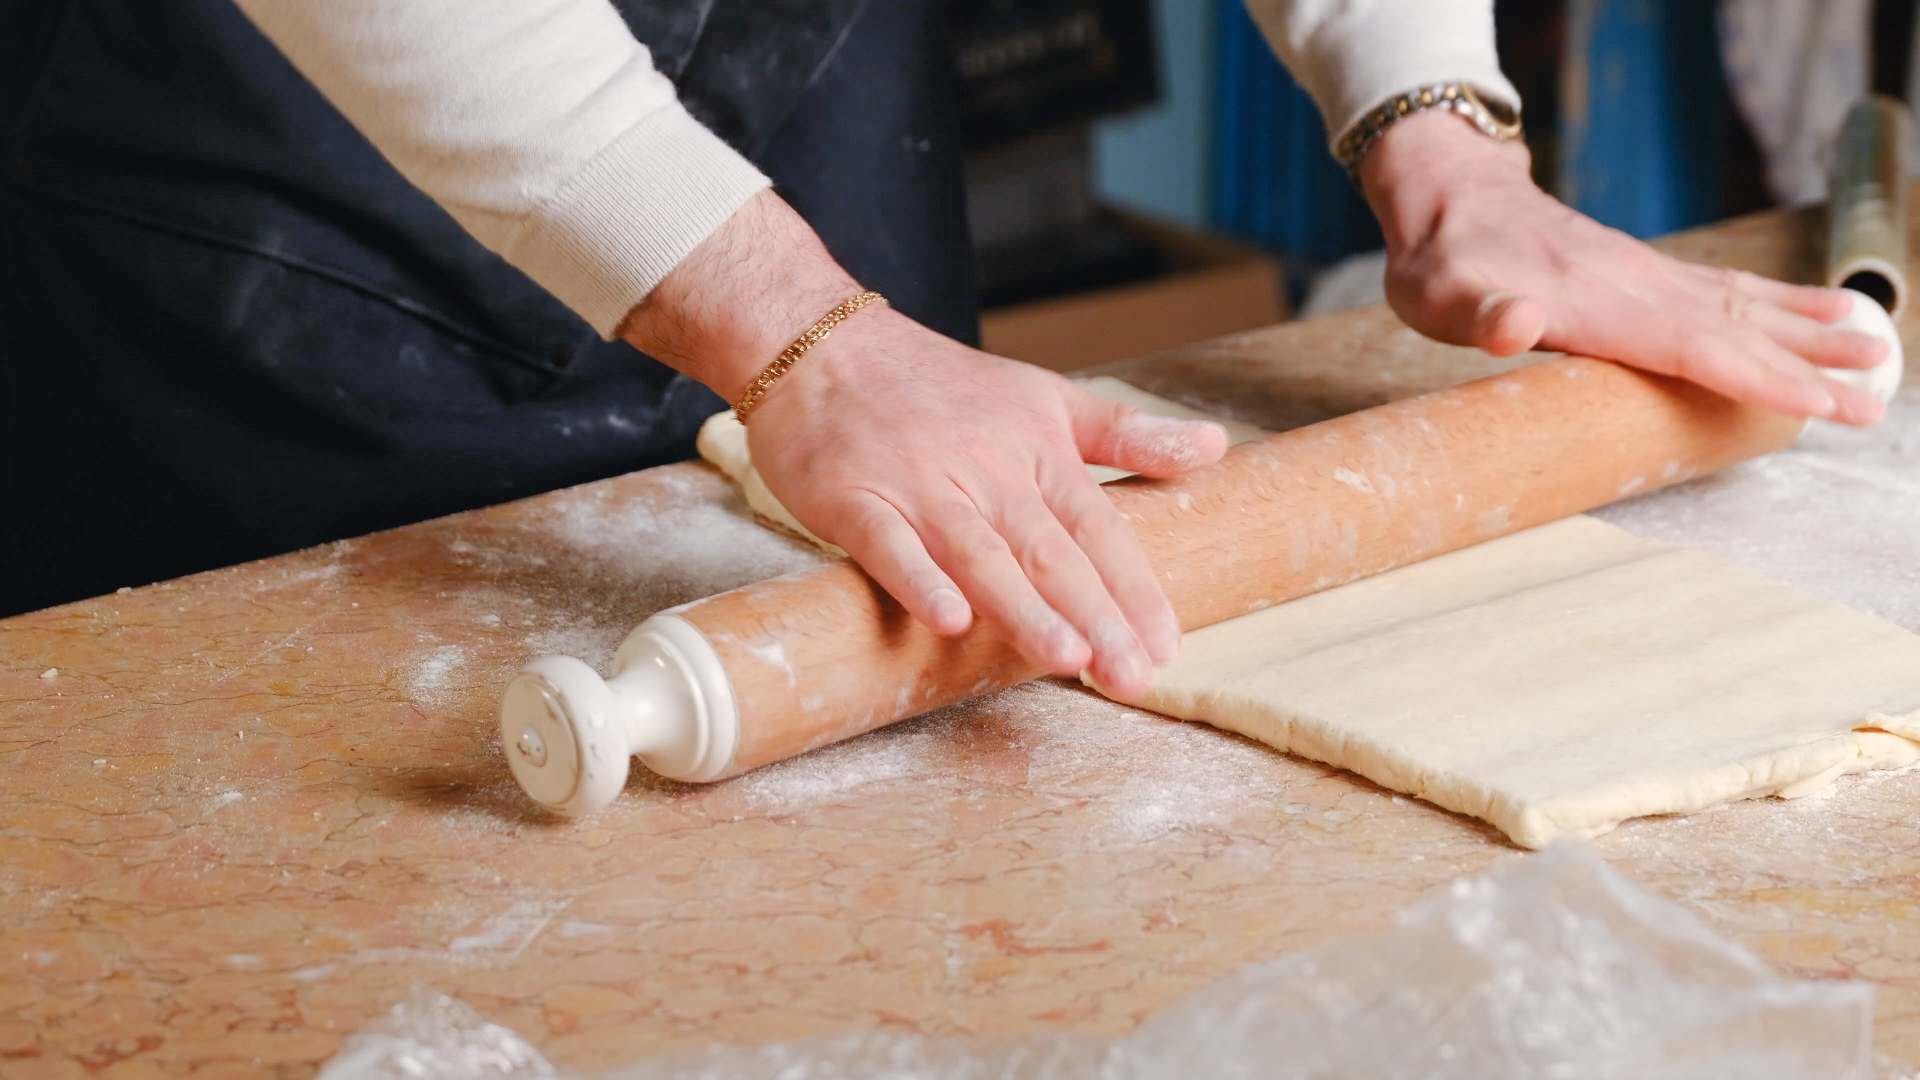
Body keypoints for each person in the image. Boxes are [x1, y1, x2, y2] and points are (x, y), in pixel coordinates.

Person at [1, 2, 1889, 698]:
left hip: (797, 74)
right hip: (269, 158)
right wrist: (790, 325)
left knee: (956, 672)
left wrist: (1431, 120)